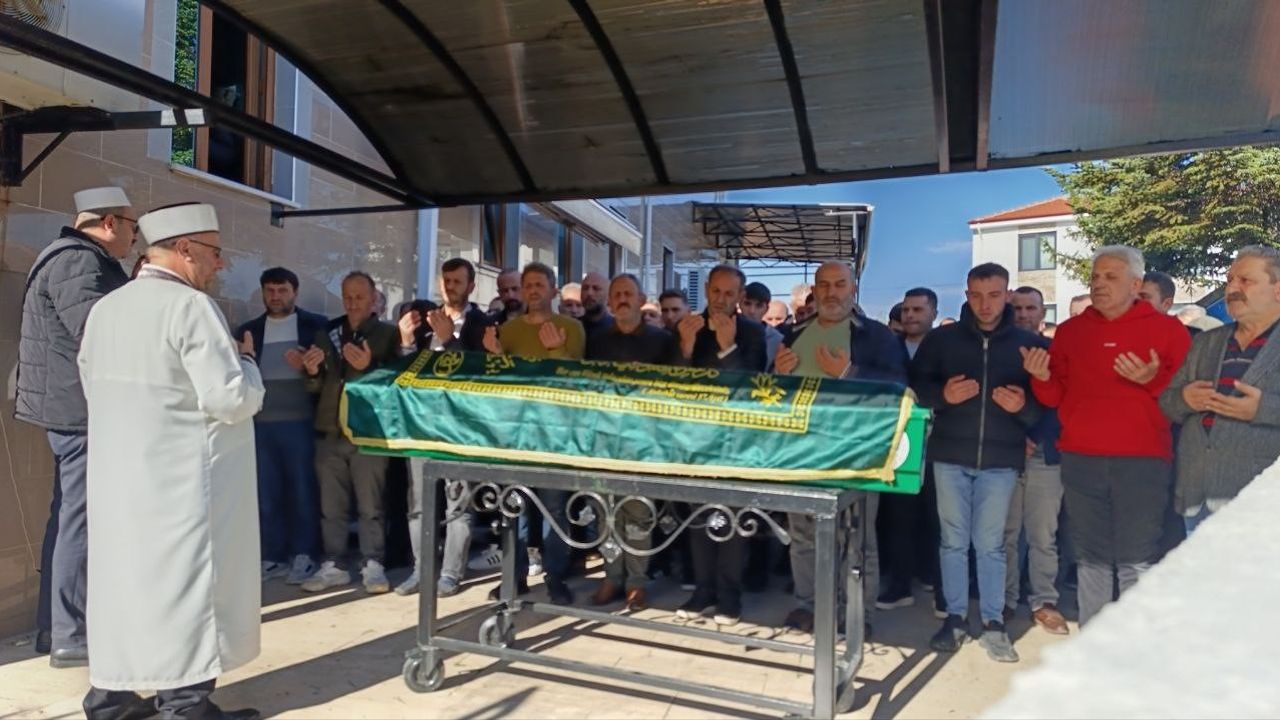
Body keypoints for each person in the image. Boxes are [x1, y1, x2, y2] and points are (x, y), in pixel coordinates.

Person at [78, 202, 264, 720]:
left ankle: (111, 699)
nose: (220, 264)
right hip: (183, 485)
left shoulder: (107, 308)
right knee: (185, 593)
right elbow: (229, 399)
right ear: (184, 249)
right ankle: (184, 706)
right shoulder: (191, 308)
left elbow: (90, 383)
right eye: (214, 252)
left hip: (119, 480)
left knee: (122, 589)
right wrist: (249, 363)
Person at [1022, 246, 1192, 626]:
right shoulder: (1070, 332)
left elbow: (1185, 398)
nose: (1099, 283)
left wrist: (1152, 380)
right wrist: (1042, 378)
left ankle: (1132, 646)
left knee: (1137, 559)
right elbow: (1054, 397)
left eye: (1111, 277)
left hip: (1143, 461)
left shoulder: (1168, 331)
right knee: (1091, 558)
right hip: (1080, 459)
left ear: (1135, 285)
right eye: (1095, 276)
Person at [17, 187, 134, 664]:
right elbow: (97, 333)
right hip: (79, 412)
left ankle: (56, 628)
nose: (134, 237)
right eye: (132, 226)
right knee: (79, 521)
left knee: (70, 516)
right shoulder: (78, 261)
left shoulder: (71, 256)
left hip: (72, 407)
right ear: (109, 223)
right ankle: (69, 635)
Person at [912, 263, 1043, 663]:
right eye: (977, 295)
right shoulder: (941, 340)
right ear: (967, 295)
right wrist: (943, 397)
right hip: (950, 456)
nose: (985, 304)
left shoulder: (1029, 345)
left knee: (990, 545)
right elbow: (916, 387)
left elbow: (1048, 406)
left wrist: (1024, 408)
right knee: (952, 542)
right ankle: (954, 618)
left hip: (1001, 460)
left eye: (995, 295)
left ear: (1007, 295)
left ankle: (993, 623)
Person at [773, 261, 905, 633]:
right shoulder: (793, 333)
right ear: (815, 290)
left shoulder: (877, 336)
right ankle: (809, 607)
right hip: (800, 452)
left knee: (857, 538)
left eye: (840, 284)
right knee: (803, 538)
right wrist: (776, 374)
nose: (832, 293)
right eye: (824, 285)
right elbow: (771, 395)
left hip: (856, 452)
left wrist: (849, 373)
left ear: (853, 288)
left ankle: (858, 614)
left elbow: (897, 387)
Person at [484, 262, 587, 605]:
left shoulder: (571, 327)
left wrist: (557, 350)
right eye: (528, 284)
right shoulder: (509, 330)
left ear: (554, 290)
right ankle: (513, 577)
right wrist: (496, 355)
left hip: (555, 434)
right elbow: (499, 382)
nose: (532, 290)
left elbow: (576, 379)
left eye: (540, 284)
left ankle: (556, 578)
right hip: (517, 434)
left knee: (554, 511)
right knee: (513, 508)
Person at [1160, 246, 1280, 533]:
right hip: (1197, 496)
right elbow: (1167, 402)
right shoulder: (1207, 341)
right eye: (1229, 280)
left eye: (1245, 280)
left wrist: (1263, 409)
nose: (1232, 289)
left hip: (1262, 501)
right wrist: (1185, 399)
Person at [674, 265, 767, 626]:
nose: (721, 299)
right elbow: (670, 381)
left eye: (730, 293)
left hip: (734, 442)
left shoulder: (753, 332)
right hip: (695, 439)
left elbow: (753, 385)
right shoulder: (689, 326)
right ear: (707, 290)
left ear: (740, 297)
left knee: (731, 520)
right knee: (698, 519)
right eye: (716, 291)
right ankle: (703, 590)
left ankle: (730, 597)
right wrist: (684, 347)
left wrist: (729, 348)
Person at [394, 258, 493, 597]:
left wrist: (450, 340)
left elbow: (480, 374)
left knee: (458, 504)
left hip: (460, 429)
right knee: (418, 503)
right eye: (446, 280)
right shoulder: (424, 320)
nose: (450, 287)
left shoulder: (483, 324)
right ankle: (420, 571)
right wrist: (406, 341)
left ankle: (450, 574)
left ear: (471, 286)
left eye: (457, 281)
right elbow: (406, 372)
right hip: (421, 425)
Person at [301, 272, 400, 594]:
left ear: (373, 299)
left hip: (367, 433)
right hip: (330, 431)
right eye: (347, 297)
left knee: (371, 506)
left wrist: (370, 367)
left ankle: (373, 563)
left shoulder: (388, 334)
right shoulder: (326, 332)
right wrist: (311, 371)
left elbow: (396, 384)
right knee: (331, 507)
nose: (352, 303)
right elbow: (315, 387)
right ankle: (335, 564)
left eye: (359, 297)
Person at [587, 274, 679, 611]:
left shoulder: (662, 341)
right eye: (617, 294)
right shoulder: (596, 340)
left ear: (641, 299)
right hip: (605, 439)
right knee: (606, 513)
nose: (622, 299)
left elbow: (675, 389)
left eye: (628, 293)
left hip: (644, 440)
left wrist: (646, 382)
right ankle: (612, 577)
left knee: (638, 514)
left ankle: (637, 583)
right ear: (610, 301)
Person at [234, 268, 329, 586]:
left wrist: (309, 369)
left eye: (282, 290)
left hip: (301, 423)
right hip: (260, 425)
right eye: (270, 291)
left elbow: (330, 375)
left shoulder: (315, 326)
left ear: (295, 292)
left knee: (303, 492)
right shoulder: (248, 331)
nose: (276, 297)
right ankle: (272, 555)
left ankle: (305, 554)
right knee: (266, 494)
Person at [1002, 287, 1068, 634]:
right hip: (1004, 455)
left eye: (1031, 308)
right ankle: (1004, 599)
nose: (1024, 314)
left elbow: (1060, 403)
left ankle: (1044, 601)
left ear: (1043, 313)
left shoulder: (1056, 352)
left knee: (1044, 534)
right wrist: (1015, 438)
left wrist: (1034, 436)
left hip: (1045, 453)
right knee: (1006, 533)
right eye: (1017, 308)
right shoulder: (997, 351)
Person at [875, 286, 942, 618]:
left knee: (936, 517)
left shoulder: (946, 346)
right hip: (899, 444)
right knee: (898, 517)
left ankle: (933, 579)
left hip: (939, 442)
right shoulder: (889, 346)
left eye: (918, 310)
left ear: (933, 312)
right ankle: (899, 585)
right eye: (907, 310)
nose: (911, 316)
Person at [741, 281, 784, 366]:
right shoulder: (728, 331)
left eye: (759, 305)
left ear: (766, 309)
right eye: (747, 304)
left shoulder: (778, 340)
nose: (752, 311)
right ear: (739, 304)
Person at [900, 287, 939, 359]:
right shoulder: (886, 346)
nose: (909, 315)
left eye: (917, 309)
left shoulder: (948, 348)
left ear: (934, 314)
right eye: (905, 310)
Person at [579, 271, 614, 338]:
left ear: (608, 295)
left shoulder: (618, 329)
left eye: (596, 288)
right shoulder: (572, 327)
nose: (589, 293)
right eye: (585, 288)